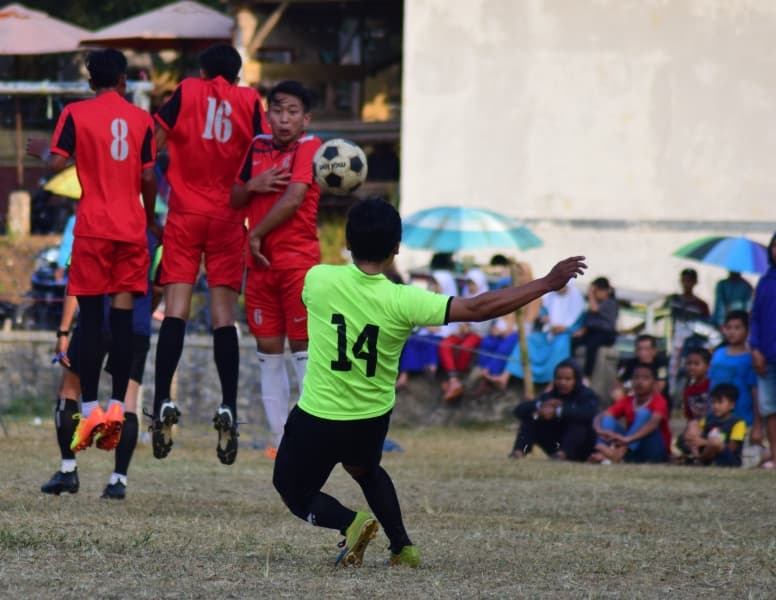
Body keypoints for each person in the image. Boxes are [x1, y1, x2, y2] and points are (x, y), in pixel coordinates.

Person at [272, 198, 587, 568]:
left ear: (348, 241)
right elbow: (479, 307)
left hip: (321, 415)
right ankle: (403, 548)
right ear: (396, 248)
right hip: (371, 417)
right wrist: (548, 283)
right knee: (365, 470)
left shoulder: (319, 280)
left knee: (293, 489)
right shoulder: (406, 300)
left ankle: (351, 523)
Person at [26, 49, 158, 457]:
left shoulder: (75, 114)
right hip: (130, 231)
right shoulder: (143, 120)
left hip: (93, 231)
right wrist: (148, 218)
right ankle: (118, 406)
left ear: (89, 82)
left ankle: (89, 409)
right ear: (123, 81)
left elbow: (55, 163)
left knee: (91, 322)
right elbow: (149, 176)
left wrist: (38, 151)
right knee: (121, 322)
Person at [149, 43, 268, 464]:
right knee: (223, 317)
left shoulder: (186, 91)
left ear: (202, 71)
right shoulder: (251, 101)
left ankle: (163, 397)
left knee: (175, 308)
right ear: (236, 76)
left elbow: (153, 144)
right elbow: (264, 151)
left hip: (184, 213)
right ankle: (228, 405)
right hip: (228, 217)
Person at [229, 80, 322, 458]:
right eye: (278, 111)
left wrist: (256, 236)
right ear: (268, 115)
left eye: (293, 112)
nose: (285, 119)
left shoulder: (311, 147)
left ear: (306, 118)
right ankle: (283, 445)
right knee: (267, 352)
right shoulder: (256, 146)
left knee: (303, 351)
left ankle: (313, 440)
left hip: (297, 264)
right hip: (261, 270)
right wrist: (254, 184)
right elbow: (235, 197)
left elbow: (295, 197)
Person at [40, 235, 161, 499]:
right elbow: (160, 286)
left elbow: (76, 282)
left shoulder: (92, 227)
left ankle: (68, 469)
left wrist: (63, 330)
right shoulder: (153, 236)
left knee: (69, 390)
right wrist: (141, 315)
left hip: (95, 322)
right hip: (134, 326)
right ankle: (119, 480)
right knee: (127, 401)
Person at [492, 281, 585, 388]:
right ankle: (505, 376)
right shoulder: (551, 297)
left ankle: (552, 383)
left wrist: (565, 329)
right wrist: (545, 318)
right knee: (528, 340)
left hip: (565, 335)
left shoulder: (577, 301)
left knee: (560, 346)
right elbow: (543, 313)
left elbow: (579, 325)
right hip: (548, 333)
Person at [509, 359, 599, 461]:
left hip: (581, 446)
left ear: (576, 380)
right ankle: (519, 452)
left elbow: (591, 413)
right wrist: (540, 407)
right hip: (556, 443)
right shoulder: (551, 396)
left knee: (579, 422)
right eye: (559, 378)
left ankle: (563, 455)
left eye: (568, 379)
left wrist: (558, 412)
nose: (562, 382)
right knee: (533, 417)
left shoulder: (586, 395)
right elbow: (519, 410)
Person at [590, 363, 671, 464]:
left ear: (654, 383)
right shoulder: (628, 400)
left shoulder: (659, 400)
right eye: (636, 378)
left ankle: (619, 453)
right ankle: (602, 452)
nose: (639, 382)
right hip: (632, 448)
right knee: (607, 420)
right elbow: (601, 416)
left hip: (653, 449)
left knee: (644, 414)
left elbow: (653, 424)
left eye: (645, 378)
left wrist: (628, 439)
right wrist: (599, 429)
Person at [438, 268, 488, 401]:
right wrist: (462, 325)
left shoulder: (486, 298)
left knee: (465, 347)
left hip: (477, 333)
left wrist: (469, 327)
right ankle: (453, 379)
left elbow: (485, 322)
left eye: (473, 283)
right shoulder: (464, 296)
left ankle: (458, 377)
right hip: (461, 331)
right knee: (445, 345)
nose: (470, 287)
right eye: (469, 283)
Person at [708, 311, 759, 436]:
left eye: (737, 328)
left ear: (747, 331)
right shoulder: (718, 354)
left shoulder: (751, 357)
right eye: (728, 328)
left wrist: (757, 424)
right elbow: (710, 384)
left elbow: (755, 390)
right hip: (716, 419)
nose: (731, 332)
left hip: (743, 419)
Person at [750, 232, 776, 469]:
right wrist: (755, 348)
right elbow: (755, 317)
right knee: (770, 407)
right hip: (767, 356)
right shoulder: (765, 282)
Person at [678, 384, 746, 467]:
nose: (716, 406)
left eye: (720, 402)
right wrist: (689, 437)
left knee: (716, 442)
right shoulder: (709, 419)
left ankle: (699, 461)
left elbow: (732, 448)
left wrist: (705, 442)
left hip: (727, 459)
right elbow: (694, 435)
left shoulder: (738, 423)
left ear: (732, 405)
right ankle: (694, 456)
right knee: (693, 425)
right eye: (713, 402)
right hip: (707, 455)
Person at [666, 268, 711, 391]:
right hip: (674, 343)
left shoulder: (701, 305)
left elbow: (706, 327)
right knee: (672, 373)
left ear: (695, 282)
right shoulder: (673, 300)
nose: (686, 283)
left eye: (689, 280)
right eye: (684, 280)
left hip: (692, 345)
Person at [570, 276, 618, 380]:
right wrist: (582, 330)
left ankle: (587, 375)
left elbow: (595, 309)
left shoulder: (610, 303)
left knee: (592, 346)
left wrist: (591, 294)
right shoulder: (595, 303)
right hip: (592, 332)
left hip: (606, 333)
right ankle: (571, 368)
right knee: (575, 341)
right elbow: (589, 321)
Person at [612, 334, 669, 401]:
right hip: (633, 395)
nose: (642, 353)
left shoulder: (660, 365)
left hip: (653, 400)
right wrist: (623, 389)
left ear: (654, 351)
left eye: (646, 349)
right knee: (617, 393)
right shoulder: (630, 363)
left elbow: (659, 387)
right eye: (639, 349)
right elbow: (619, 382)